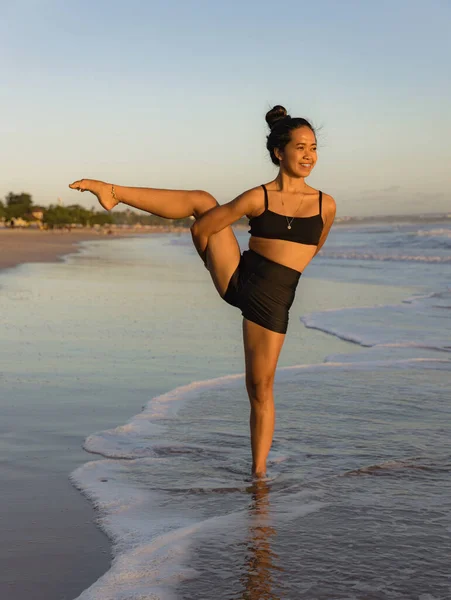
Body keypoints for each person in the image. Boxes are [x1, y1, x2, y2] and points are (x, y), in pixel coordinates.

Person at [69, 105, 336, 478]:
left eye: (313, 147)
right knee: (201, 200)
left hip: (273, 299)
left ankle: (258, 472)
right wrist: (212, 264)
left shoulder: (326, 205)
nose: (309, 155)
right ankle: (112, 192)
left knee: (260, 387)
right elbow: (203, 229)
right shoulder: (256, 197)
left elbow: (310, 252)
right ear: (280, 152)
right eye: (300, 147)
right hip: (237, 278)